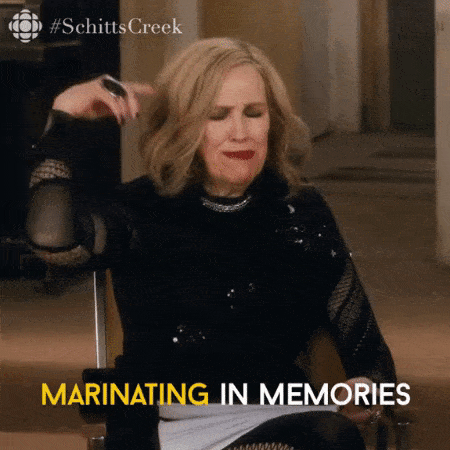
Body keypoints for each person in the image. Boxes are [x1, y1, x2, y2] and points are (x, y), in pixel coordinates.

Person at [26, 38, 396, 450]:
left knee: (331, 436)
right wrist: (63, 119)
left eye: (254, 113)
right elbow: (52, 241)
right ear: (183, 127)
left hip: (285, 423)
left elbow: (370, 355)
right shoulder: (139, 208)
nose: (240, 133)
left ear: (273, 121)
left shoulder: (302, 209)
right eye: (217, 116)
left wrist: (366, 388)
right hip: (165, 426)